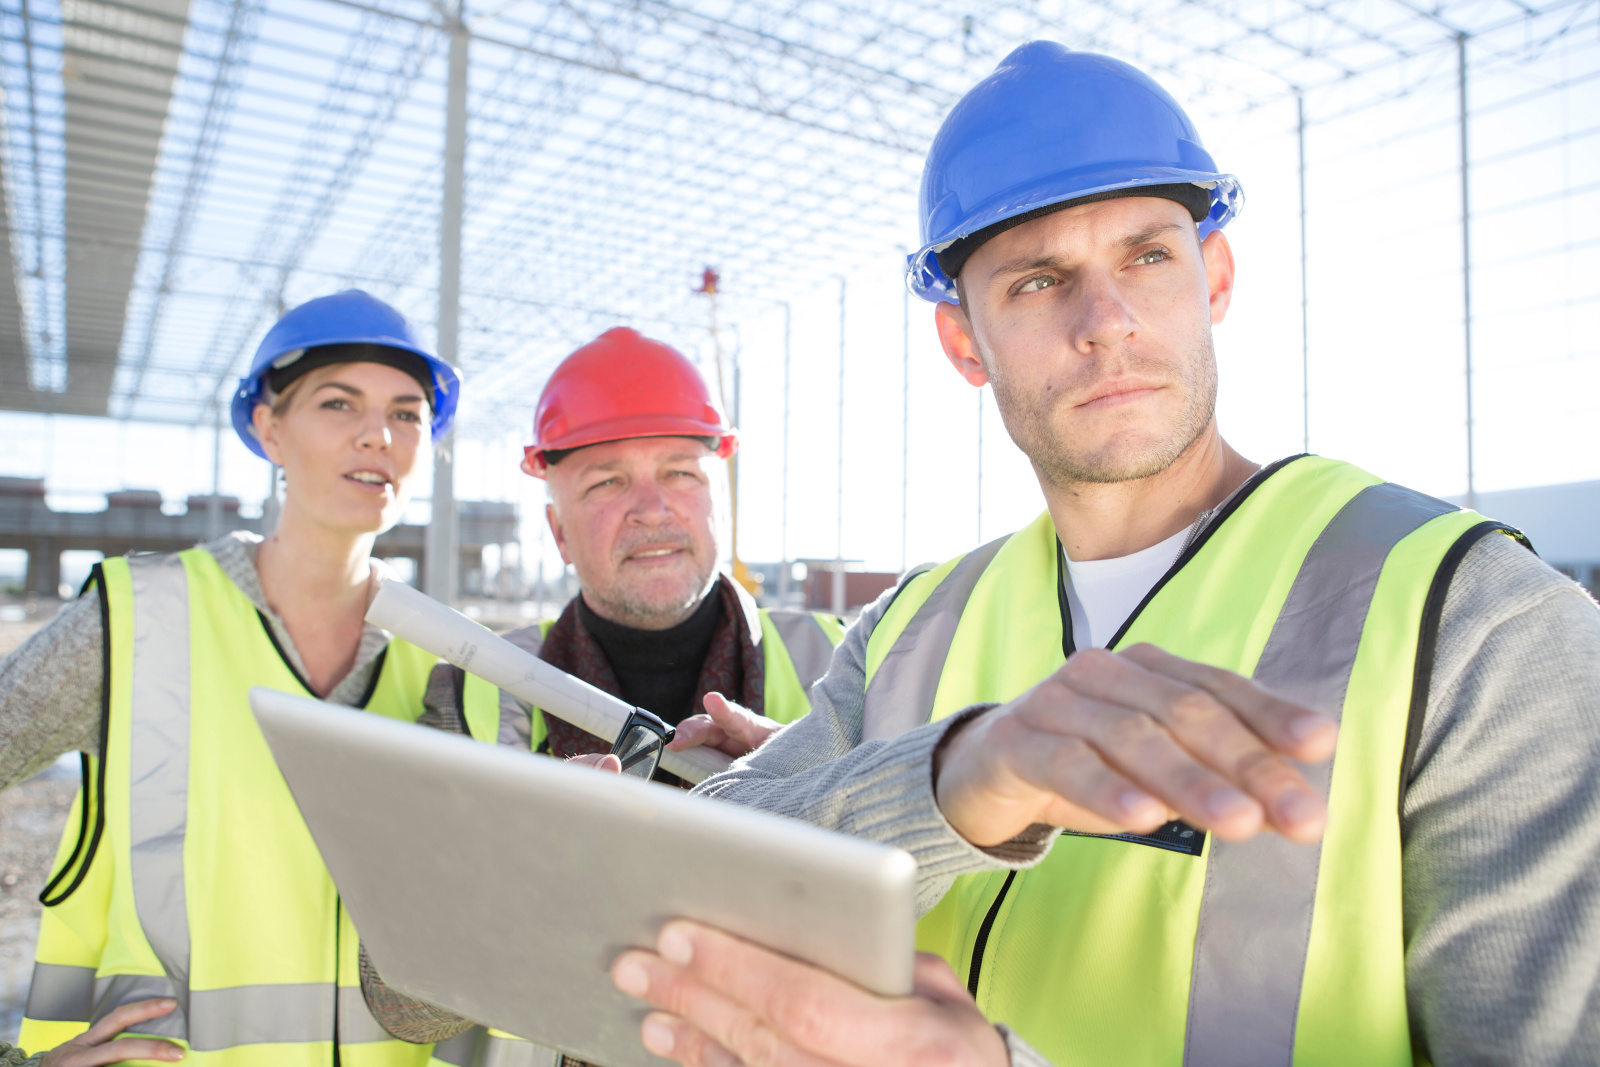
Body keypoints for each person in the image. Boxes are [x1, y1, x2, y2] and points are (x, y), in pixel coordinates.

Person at [606, 43, 1600, 1067]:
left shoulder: (1476, 619)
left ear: (1212, 275)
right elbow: (694, 864)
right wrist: (949, 779)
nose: (1106, 322)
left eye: (1146, 256)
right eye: (1038, 281)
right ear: (962, 342)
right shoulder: (914, 625)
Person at [0, 290, 495, 1067]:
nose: (379, 434)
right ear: (269, 427)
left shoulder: (448, 667)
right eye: (340, 403)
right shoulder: (137, 620)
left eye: (407, 413)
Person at [357, 326, 845, 1066]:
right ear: (557, 529)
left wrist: (820, 793)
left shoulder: (841, 665)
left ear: (719, 501)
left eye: (680, 472)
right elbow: (399, 1000)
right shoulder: (474, 687)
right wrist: (513, 866)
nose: (651, 508)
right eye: (607, 481)